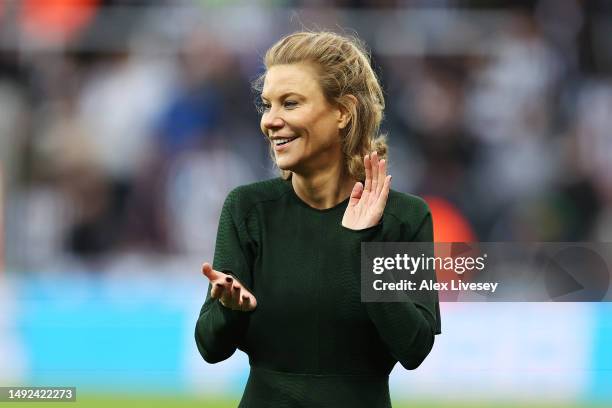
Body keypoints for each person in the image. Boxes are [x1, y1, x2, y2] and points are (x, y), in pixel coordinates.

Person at [195, 31, 441, 408]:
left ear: (342, 111)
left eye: (290, 104)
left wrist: (363, 250)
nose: (270, 121)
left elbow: (414, 348)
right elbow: (210, 347)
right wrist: (229, 310)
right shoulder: (248, 209)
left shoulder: (405, 218)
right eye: (267, 105)